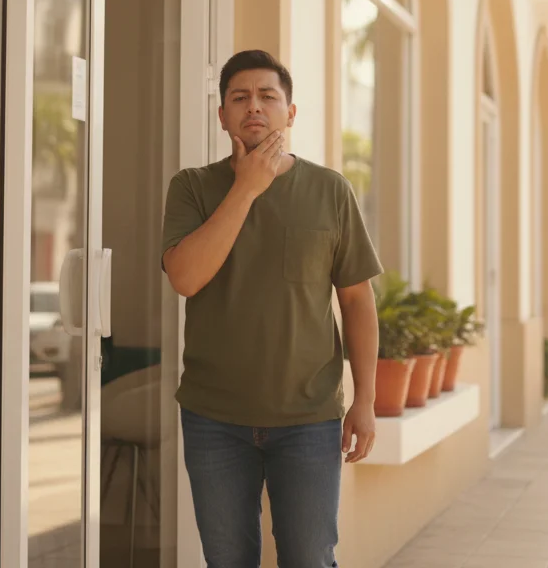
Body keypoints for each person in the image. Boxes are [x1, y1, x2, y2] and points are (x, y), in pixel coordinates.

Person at [161, 50, 384, 567]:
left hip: (308, 418)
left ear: (290, 112)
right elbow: (187, 278)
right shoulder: (192, 187)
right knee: (228, 560)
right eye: (239, 98)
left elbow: (356, 300)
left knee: (309, 558)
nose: (254, 107)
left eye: (268, 96)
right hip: (215, 418)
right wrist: (247, 187)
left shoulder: (330, 190)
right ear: (222, 115)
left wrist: (365, 399)